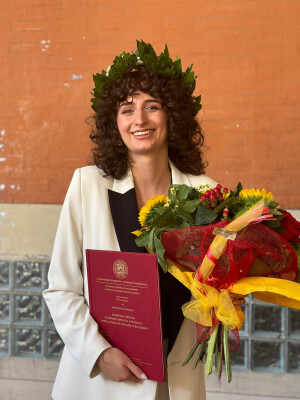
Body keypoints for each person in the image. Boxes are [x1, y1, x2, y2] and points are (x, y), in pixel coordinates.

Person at [43, 40, 244, 400]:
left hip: (175, 381)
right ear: (114, 122)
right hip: (98, 384)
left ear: (171, 116)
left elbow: (220, 288)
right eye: (127, 109)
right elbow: (61, 289)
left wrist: (228, 302)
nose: (140, 119)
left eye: (152, 107)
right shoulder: (87, 186)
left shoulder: (207, 195)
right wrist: (98, 353)